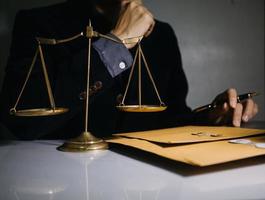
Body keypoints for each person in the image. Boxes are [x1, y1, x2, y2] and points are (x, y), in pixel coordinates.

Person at [0, 0, 258, 140]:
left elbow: (169, 117)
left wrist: (210, 116)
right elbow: (21, 123)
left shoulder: (162, 35)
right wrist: (117, 42)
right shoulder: (39, 23)